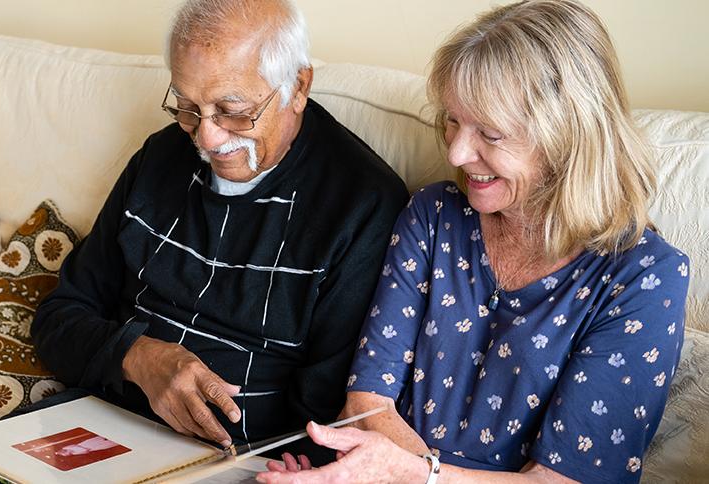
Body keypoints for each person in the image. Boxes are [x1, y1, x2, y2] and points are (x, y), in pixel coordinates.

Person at [0, 0, 407, 480]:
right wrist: (137, 357)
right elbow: (59, 318)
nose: (206, 138)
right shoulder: (161, 158)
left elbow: (332, 413)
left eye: (232, 110)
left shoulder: (362, 204)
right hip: (103, 423)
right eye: (186, 107)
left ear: (298, 86)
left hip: (242, 457)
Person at [257, 1, 690, 483]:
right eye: (453, 121)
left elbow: (563, 480)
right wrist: (366, 468)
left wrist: (416, 476)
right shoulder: (435, 215)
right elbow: (366, 403)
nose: (458, 153)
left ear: (570, 137)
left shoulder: (644, 278)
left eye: (490, 133)